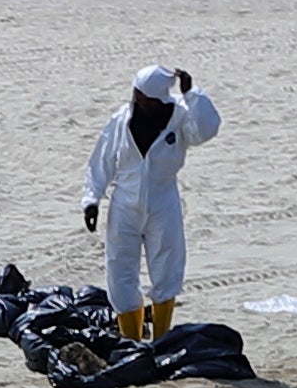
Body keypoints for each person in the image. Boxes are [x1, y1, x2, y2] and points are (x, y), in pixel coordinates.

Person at [82, 65, 222, 343]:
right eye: (135, 93)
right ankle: (131, 339)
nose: (136, 99)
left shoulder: (181, 118)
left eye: (142, 96)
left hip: (163, 202)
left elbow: (207, 130)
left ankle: (162, 338)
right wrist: (92, 199)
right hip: (124, 205)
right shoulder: (121, 120)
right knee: (120, 270)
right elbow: (102, 161)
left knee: (166, 267)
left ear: (157, 99)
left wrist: (192, 94)